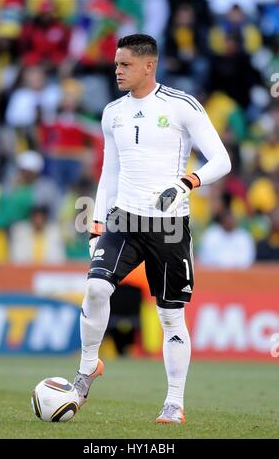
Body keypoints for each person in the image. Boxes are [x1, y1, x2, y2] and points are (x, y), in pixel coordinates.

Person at [73, 34, 231, 425]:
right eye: (115, 64)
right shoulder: (112, 112)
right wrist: (96, 222)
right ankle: (87, 368)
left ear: (149, 66)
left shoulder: (182, 106)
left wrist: (186, 182)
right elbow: (109, 171)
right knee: (95, 287)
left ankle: (174, 402)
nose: (117, 71)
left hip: (170, 227)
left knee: (170, 317)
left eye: (124, 65)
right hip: (123, 220)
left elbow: (222, 161)